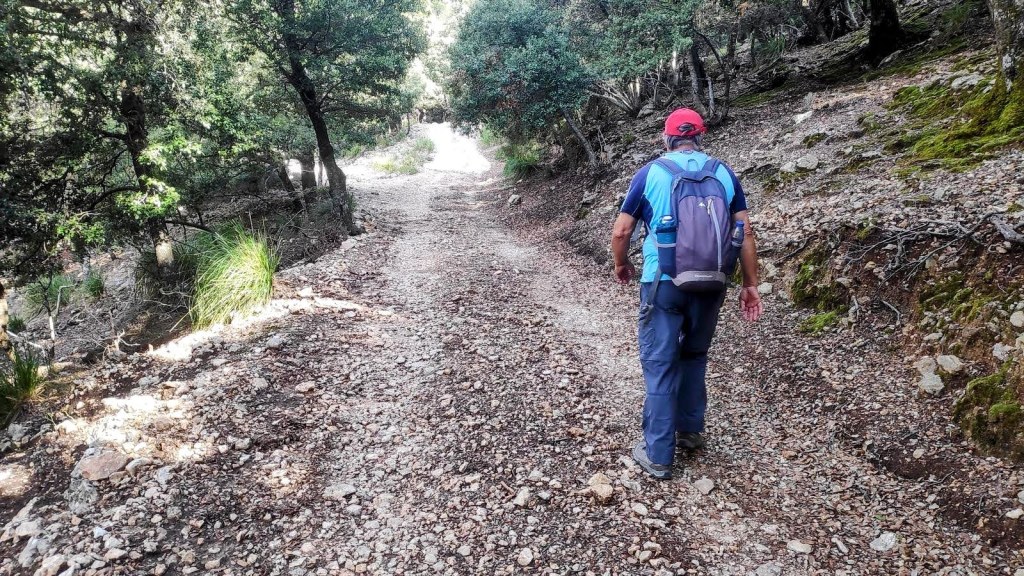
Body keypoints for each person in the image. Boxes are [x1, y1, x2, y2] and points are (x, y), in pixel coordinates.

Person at [610, 108, 763, 480]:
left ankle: (658, 454)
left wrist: (620, 264)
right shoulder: (723, 172)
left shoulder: (652, 173)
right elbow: (745, 231)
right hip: (712, 281)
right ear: (700, 136)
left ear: (666, 138)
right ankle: (691, 433)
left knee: (661, 363)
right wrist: (749, 284)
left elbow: (621, 230)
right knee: (694, 356)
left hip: (663, 282)